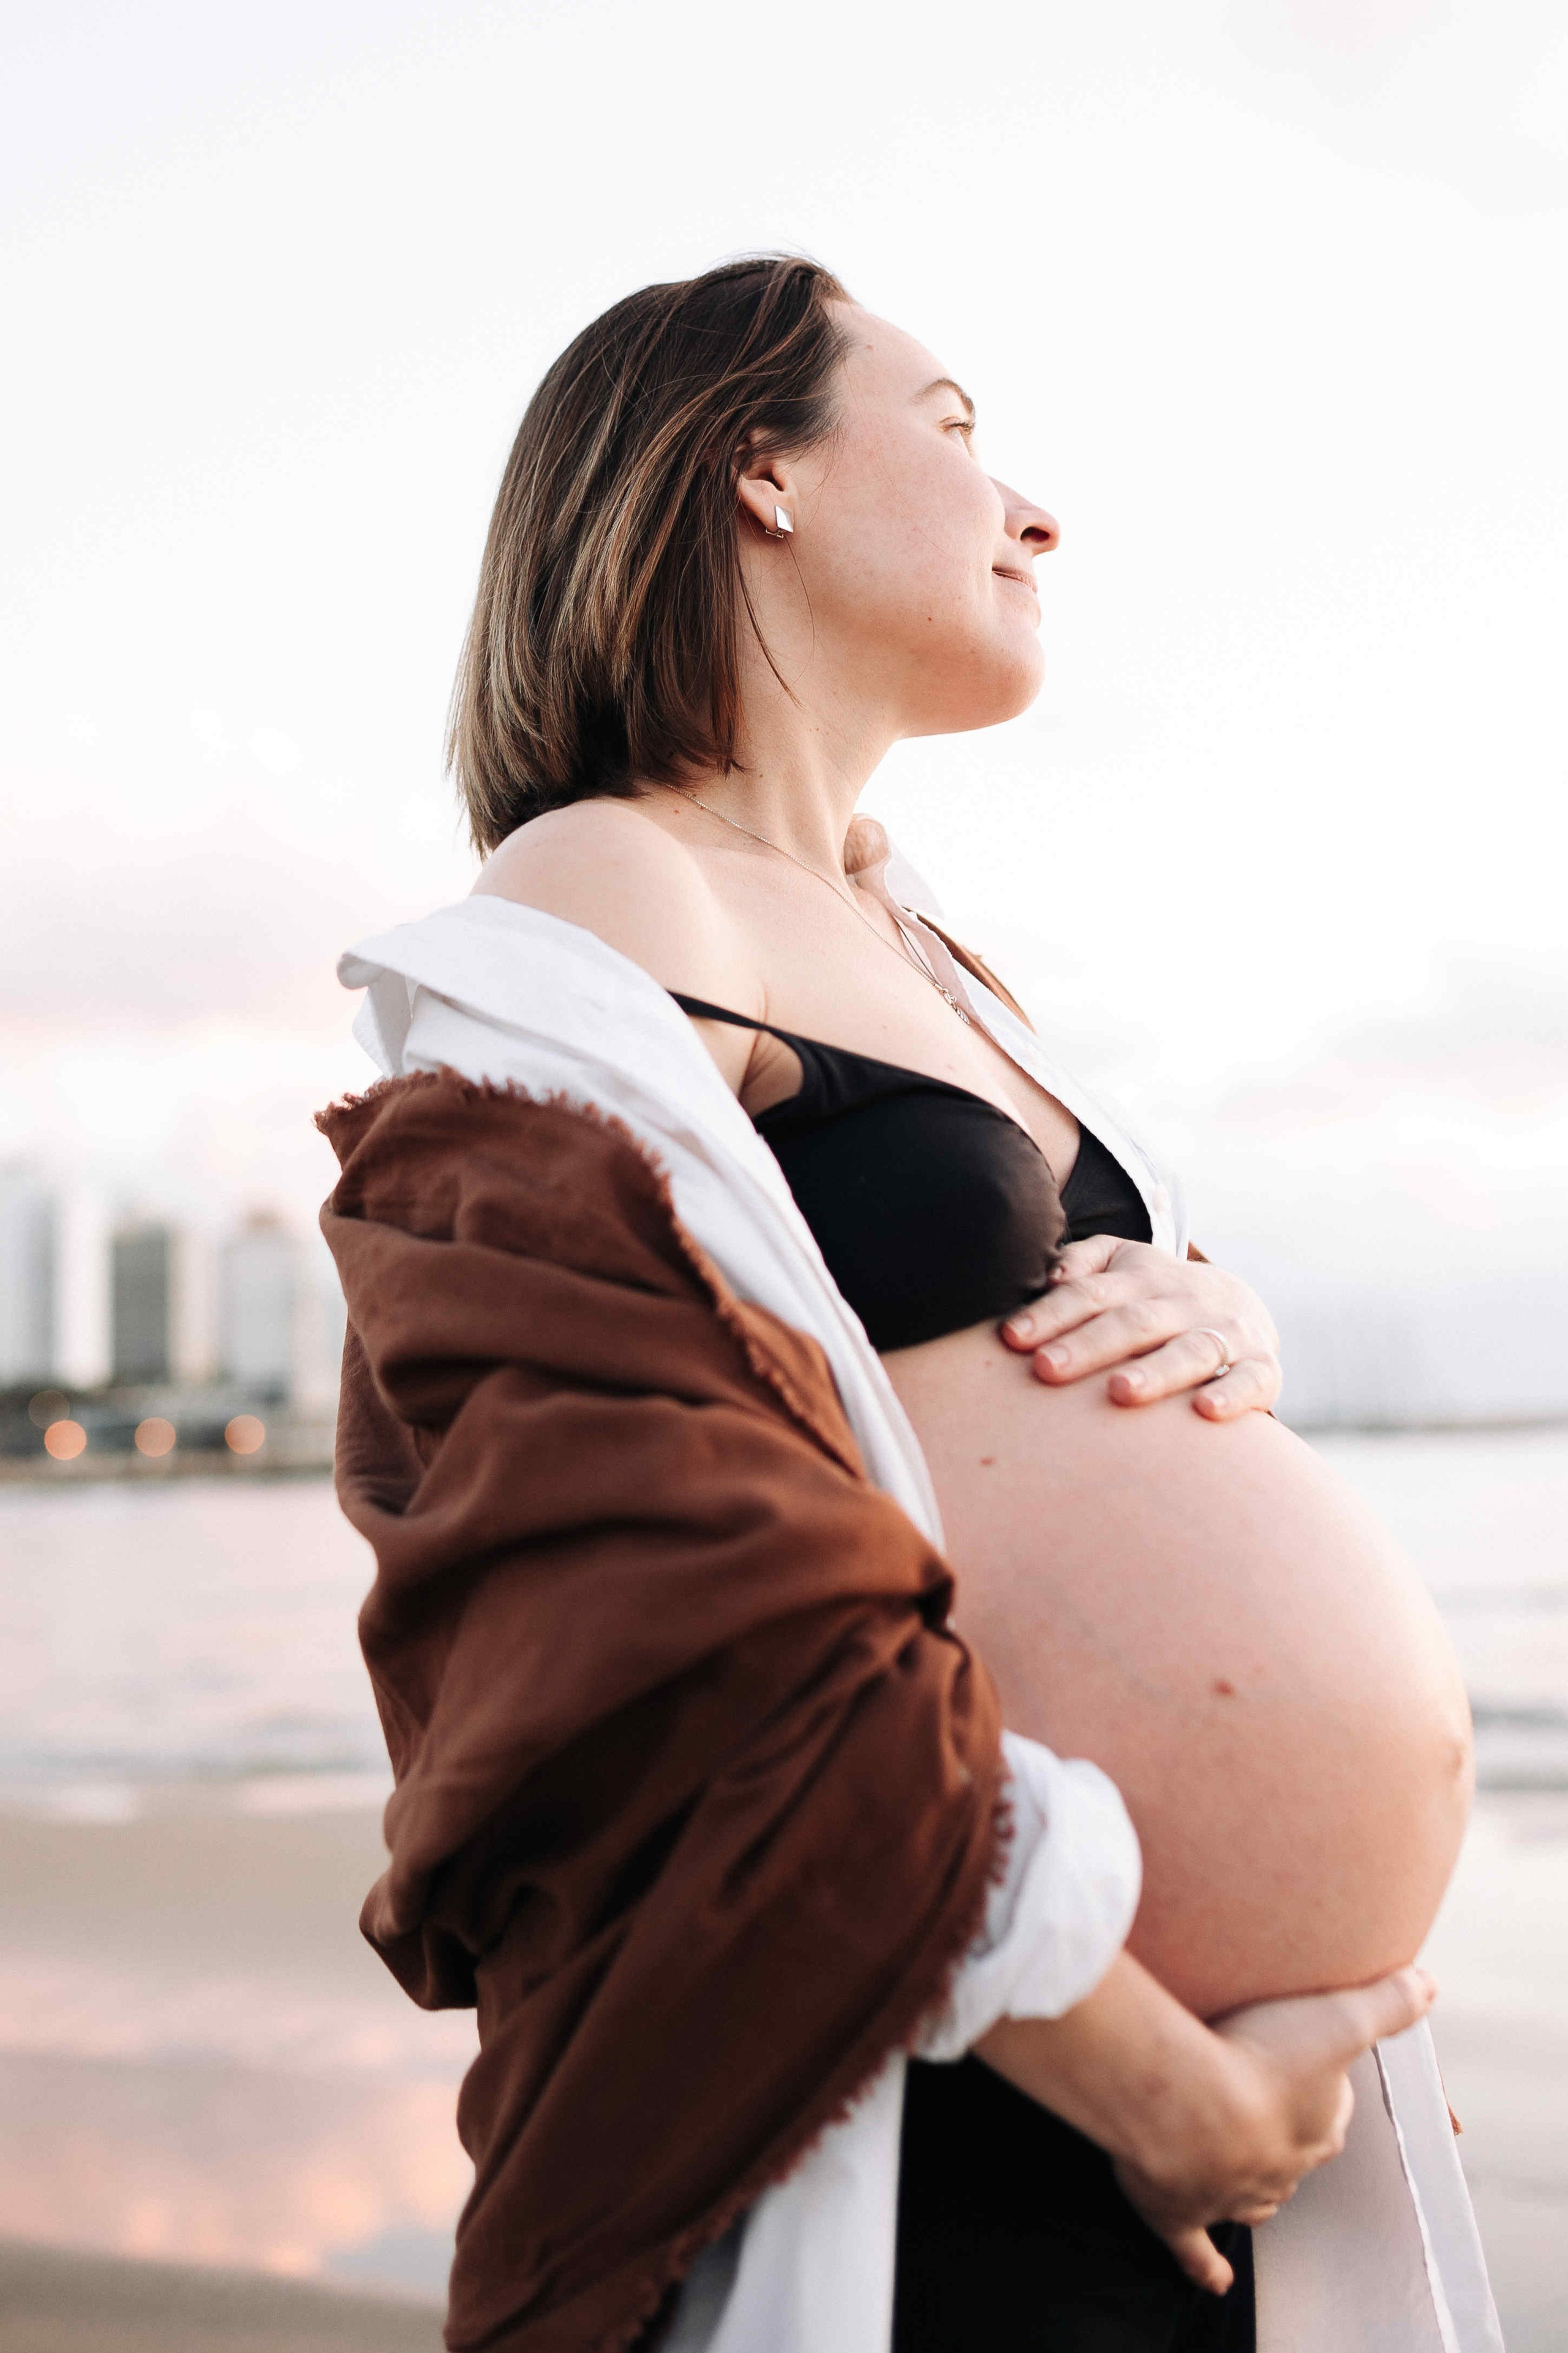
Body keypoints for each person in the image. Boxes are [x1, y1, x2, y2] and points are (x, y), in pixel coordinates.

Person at [321, 257, 1498, 2353]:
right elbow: (597, 1550)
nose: (1031, 508)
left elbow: (943, 1370)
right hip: (954, 2088)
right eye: (954, 429)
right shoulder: (613, 887)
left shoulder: (917, 940)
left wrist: (1212, 1321)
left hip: (1194, 2157)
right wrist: (1154, 2072)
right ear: (750, 473)